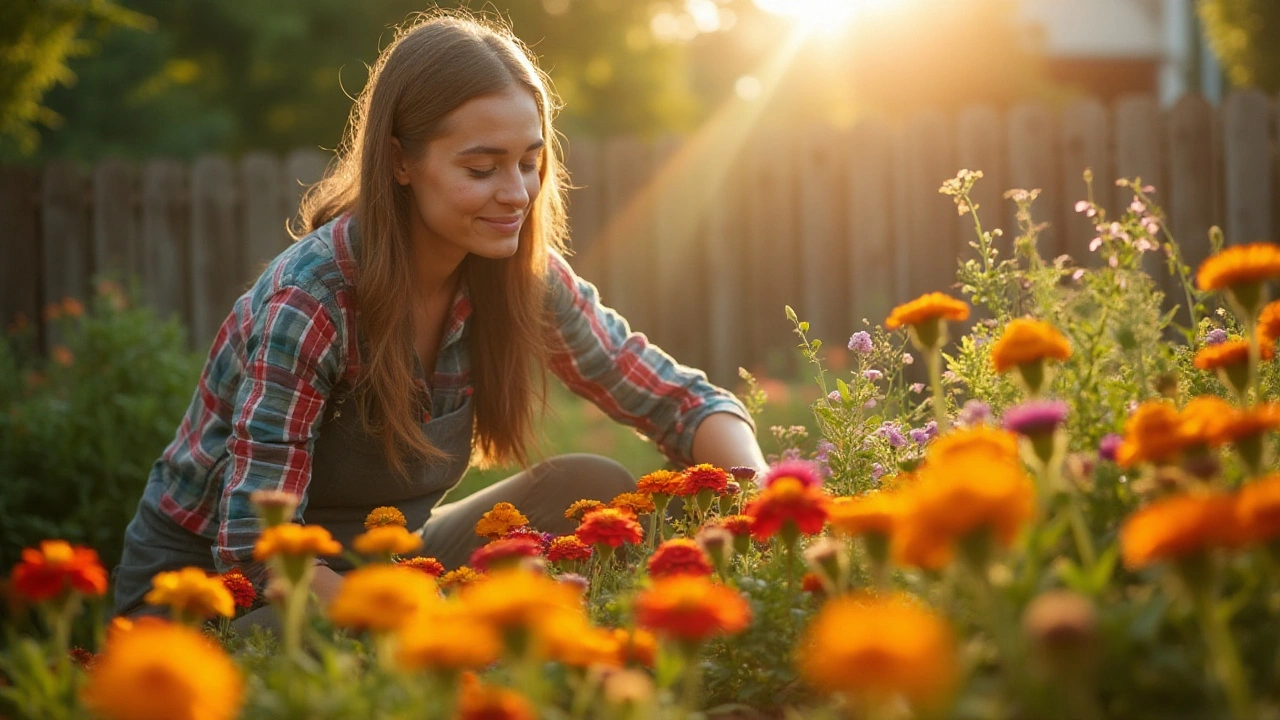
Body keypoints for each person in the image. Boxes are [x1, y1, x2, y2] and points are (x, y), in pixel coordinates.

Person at [112, 11, 767, 620]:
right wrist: (446, 626)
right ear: (400, 160)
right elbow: (259, 554)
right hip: (214, 595)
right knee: (289, 651)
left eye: (530, 163)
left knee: (588, 485)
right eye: (481, 168)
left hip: (389, 560)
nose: (515, 193)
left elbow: (676, 400)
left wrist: (767, 495)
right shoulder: (310, 302)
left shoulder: (515, 274)